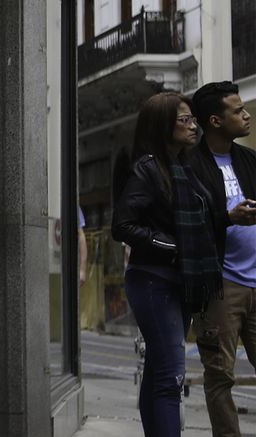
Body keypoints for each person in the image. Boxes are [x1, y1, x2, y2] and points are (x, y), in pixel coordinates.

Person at [112, 91, 221, 436]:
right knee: (171, 375)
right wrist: (171, 246)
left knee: (160, 372)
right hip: (153, 280)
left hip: (181, 281)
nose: (193, 127)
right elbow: (122, 226)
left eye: (193, 120)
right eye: (184, 120)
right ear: (163, 126)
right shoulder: (147, 169)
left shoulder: (184, 168)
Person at [188, 81, 256, 437]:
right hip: (220, 285)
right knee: (220, 376)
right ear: (215, 120)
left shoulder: (249, 159)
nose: (245, 115)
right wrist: (227, 217)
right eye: (237, 110)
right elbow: (186, 223)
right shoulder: (191, 166)